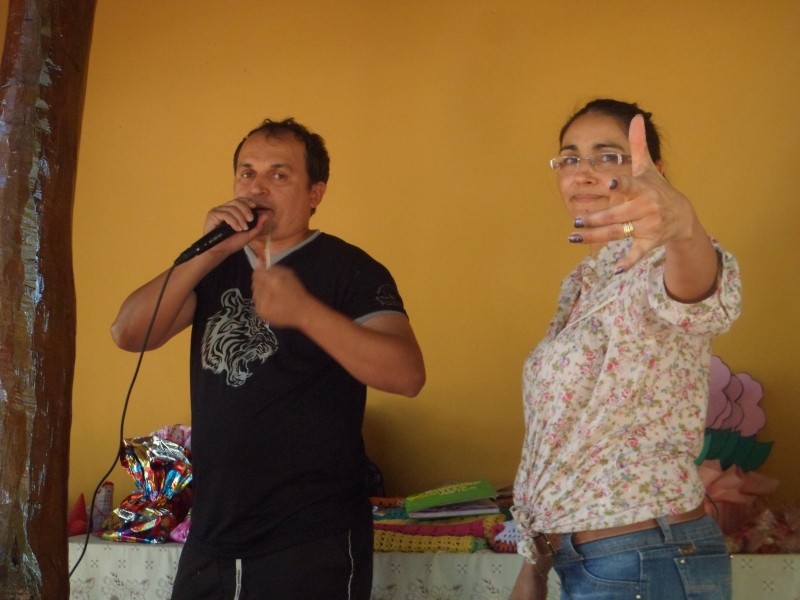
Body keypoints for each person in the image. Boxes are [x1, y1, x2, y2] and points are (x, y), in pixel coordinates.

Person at [111, 118, 426, 600]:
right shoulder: (214, 265)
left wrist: (305, 312)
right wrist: (208, 252)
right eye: (247, 173)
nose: (257, 188)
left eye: (278, 175)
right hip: (213, 532)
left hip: (311, 537)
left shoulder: (351, 270)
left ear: (316, 192)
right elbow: (128, 333)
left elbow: (407, 375)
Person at [509, 99, 742, 600]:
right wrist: (535, 563)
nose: (584, 172)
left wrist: (683, 228)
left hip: (646, 558)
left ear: (653, 171)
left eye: (608, 156)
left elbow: (702, 301)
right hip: (594, 562)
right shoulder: (586, 279)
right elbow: (568, 440)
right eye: (570, 158)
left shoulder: (662, 260)